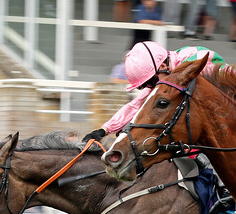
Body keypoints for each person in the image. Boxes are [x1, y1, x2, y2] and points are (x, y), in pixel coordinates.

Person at [82, 42, 227, 141]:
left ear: (163, 65)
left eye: (151, 82)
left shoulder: (194, 61)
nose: (150, 87)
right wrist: (104, 130)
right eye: (144, 85)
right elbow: (136, 104)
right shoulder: (166, 72)